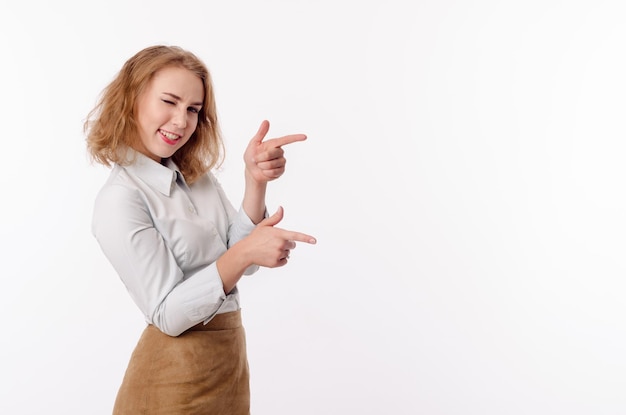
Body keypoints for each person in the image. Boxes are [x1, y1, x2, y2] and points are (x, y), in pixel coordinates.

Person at [84, 45, 316, 414]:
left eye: (193, 109)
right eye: (169, 101)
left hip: (228, 364)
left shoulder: (194, 177)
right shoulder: (120, 200)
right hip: (171, 379)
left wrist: (254, 182)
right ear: (131, 99)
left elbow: (244, 264)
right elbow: (168, 315)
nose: (181, 121)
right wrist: (245, 252)